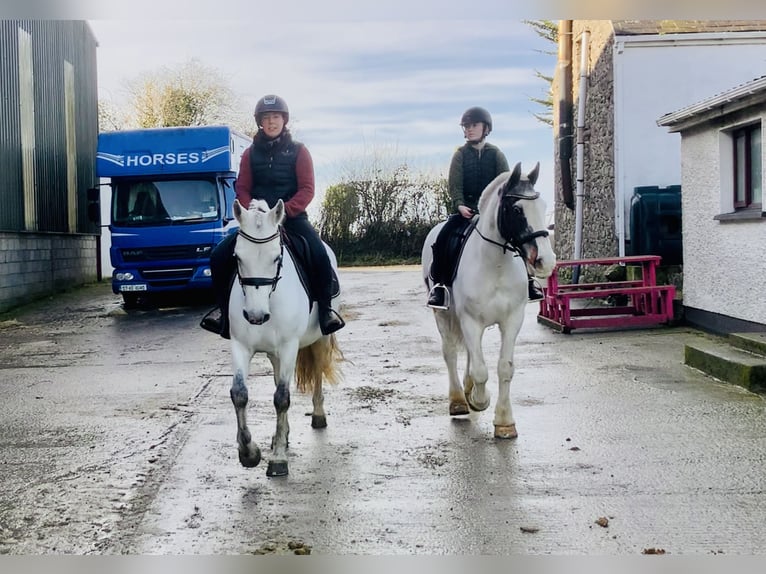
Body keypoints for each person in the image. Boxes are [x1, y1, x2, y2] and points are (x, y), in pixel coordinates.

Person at [200, 94, 345, 339]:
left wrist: (284, 211)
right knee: (218, 256)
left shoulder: (299, 151)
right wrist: (252, 211)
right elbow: (242, 188)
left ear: (284, 120)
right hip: (257, 222)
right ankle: (223, 314)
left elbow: (307, 189)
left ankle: (326, 313)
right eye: (266, 118)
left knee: (320, 255)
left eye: (276, 117)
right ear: (260, 122)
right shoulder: (248, 154)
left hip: (292, 218)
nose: (271, 122)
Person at [427, 106, 544, 309]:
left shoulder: (496, 154)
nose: (469, 129)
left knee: (518, 237)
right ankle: (440, 286)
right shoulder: (460, 156)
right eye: (466, 126)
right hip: (466, 212)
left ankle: (529, 282)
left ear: (486, 128)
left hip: (491, 214)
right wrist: (460, 205)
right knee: (443, 238)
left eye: (474, 125)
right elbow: (454, 186)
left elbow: (506, 185)